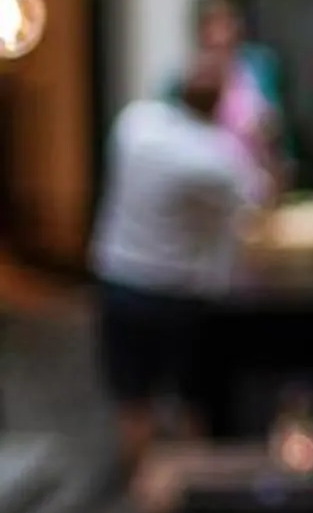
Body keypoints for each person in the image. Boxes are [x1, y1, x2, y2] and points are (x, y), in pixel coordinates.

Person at [91, 56, 271, 475]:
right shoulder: (218, 158)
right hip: (179, 294)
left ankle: (142, 495)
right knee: (192, 402)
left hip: (118, 279)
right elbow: (261, 199)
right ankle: (196, 499)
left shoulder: (134, 124)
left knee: (133, 402)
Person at [196, 0, 286, 185]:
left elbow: (275, 124)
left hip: (256, 176)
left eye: (227, 26)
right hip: (213, 178)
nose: (221, 36)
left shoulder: (258, 67)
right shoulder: (193, 78)